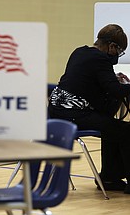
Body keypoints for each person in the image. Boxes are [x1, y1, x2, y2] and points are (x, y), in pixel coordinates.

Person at [48, 24, 130, 194]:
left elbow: (90, 82)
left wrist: (112, 81)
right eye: (118, 51)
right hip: (72, 115)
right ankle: (111, 177)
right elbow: (115, 91)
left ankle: (109, 177)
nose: (117, 56)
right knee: (125, 130)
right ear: (112, 46)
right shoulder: (101, 60)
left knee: (111, 126)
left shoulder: (80, 52)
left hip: (56, 113)